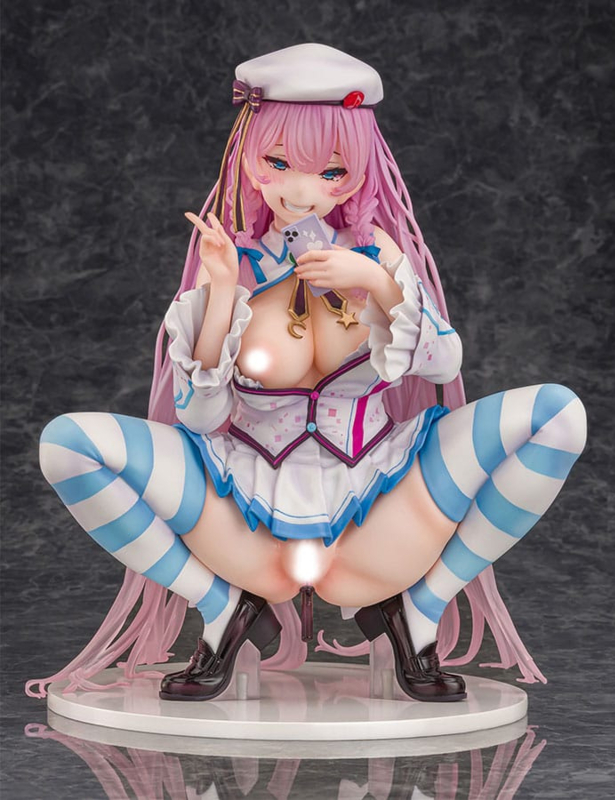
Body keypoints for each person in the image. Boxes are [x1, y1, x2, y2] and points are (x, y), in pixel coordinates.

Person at [29, 44, 586, 703]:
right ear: (247, 158)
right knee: (67, 444)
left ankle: (419, 609)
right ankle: (223, 608)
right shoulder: (231, 261)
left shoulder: (377, 252)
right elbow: (202, 417)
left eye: (332, 172)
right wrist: (220, 294)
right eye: (278, 164)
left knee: (557, 416)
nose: (301, 191)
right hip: (244, 511)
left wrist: (378, 282)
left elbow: (444, 363)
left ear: (358, 171)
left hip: (381, 500)